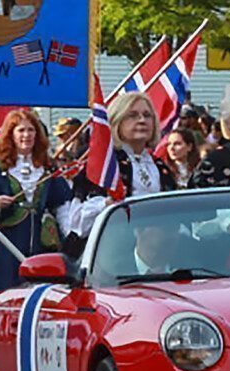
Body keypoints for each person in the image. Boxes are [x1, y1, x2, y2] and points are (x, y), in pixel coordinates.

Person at [59, 92, 175, 259]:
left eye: (147, 115)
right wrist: (106, 204)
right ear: (117, 121)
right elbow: (77, 223)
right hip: (110, 258)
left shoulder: (160, 166)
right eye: (133, 115)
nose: (142, 120)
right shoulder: (103, 165)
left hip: (159, 256)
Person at [0, 110, 72, 296]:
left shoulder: (46, 166)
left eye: (31, 130)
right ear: (11, 134)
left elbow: (62, 203)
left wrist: (69, 233)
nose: (27, 135)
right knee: (7, 293)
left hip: (41, 244)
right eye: (21, 130)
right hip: (9, 243)